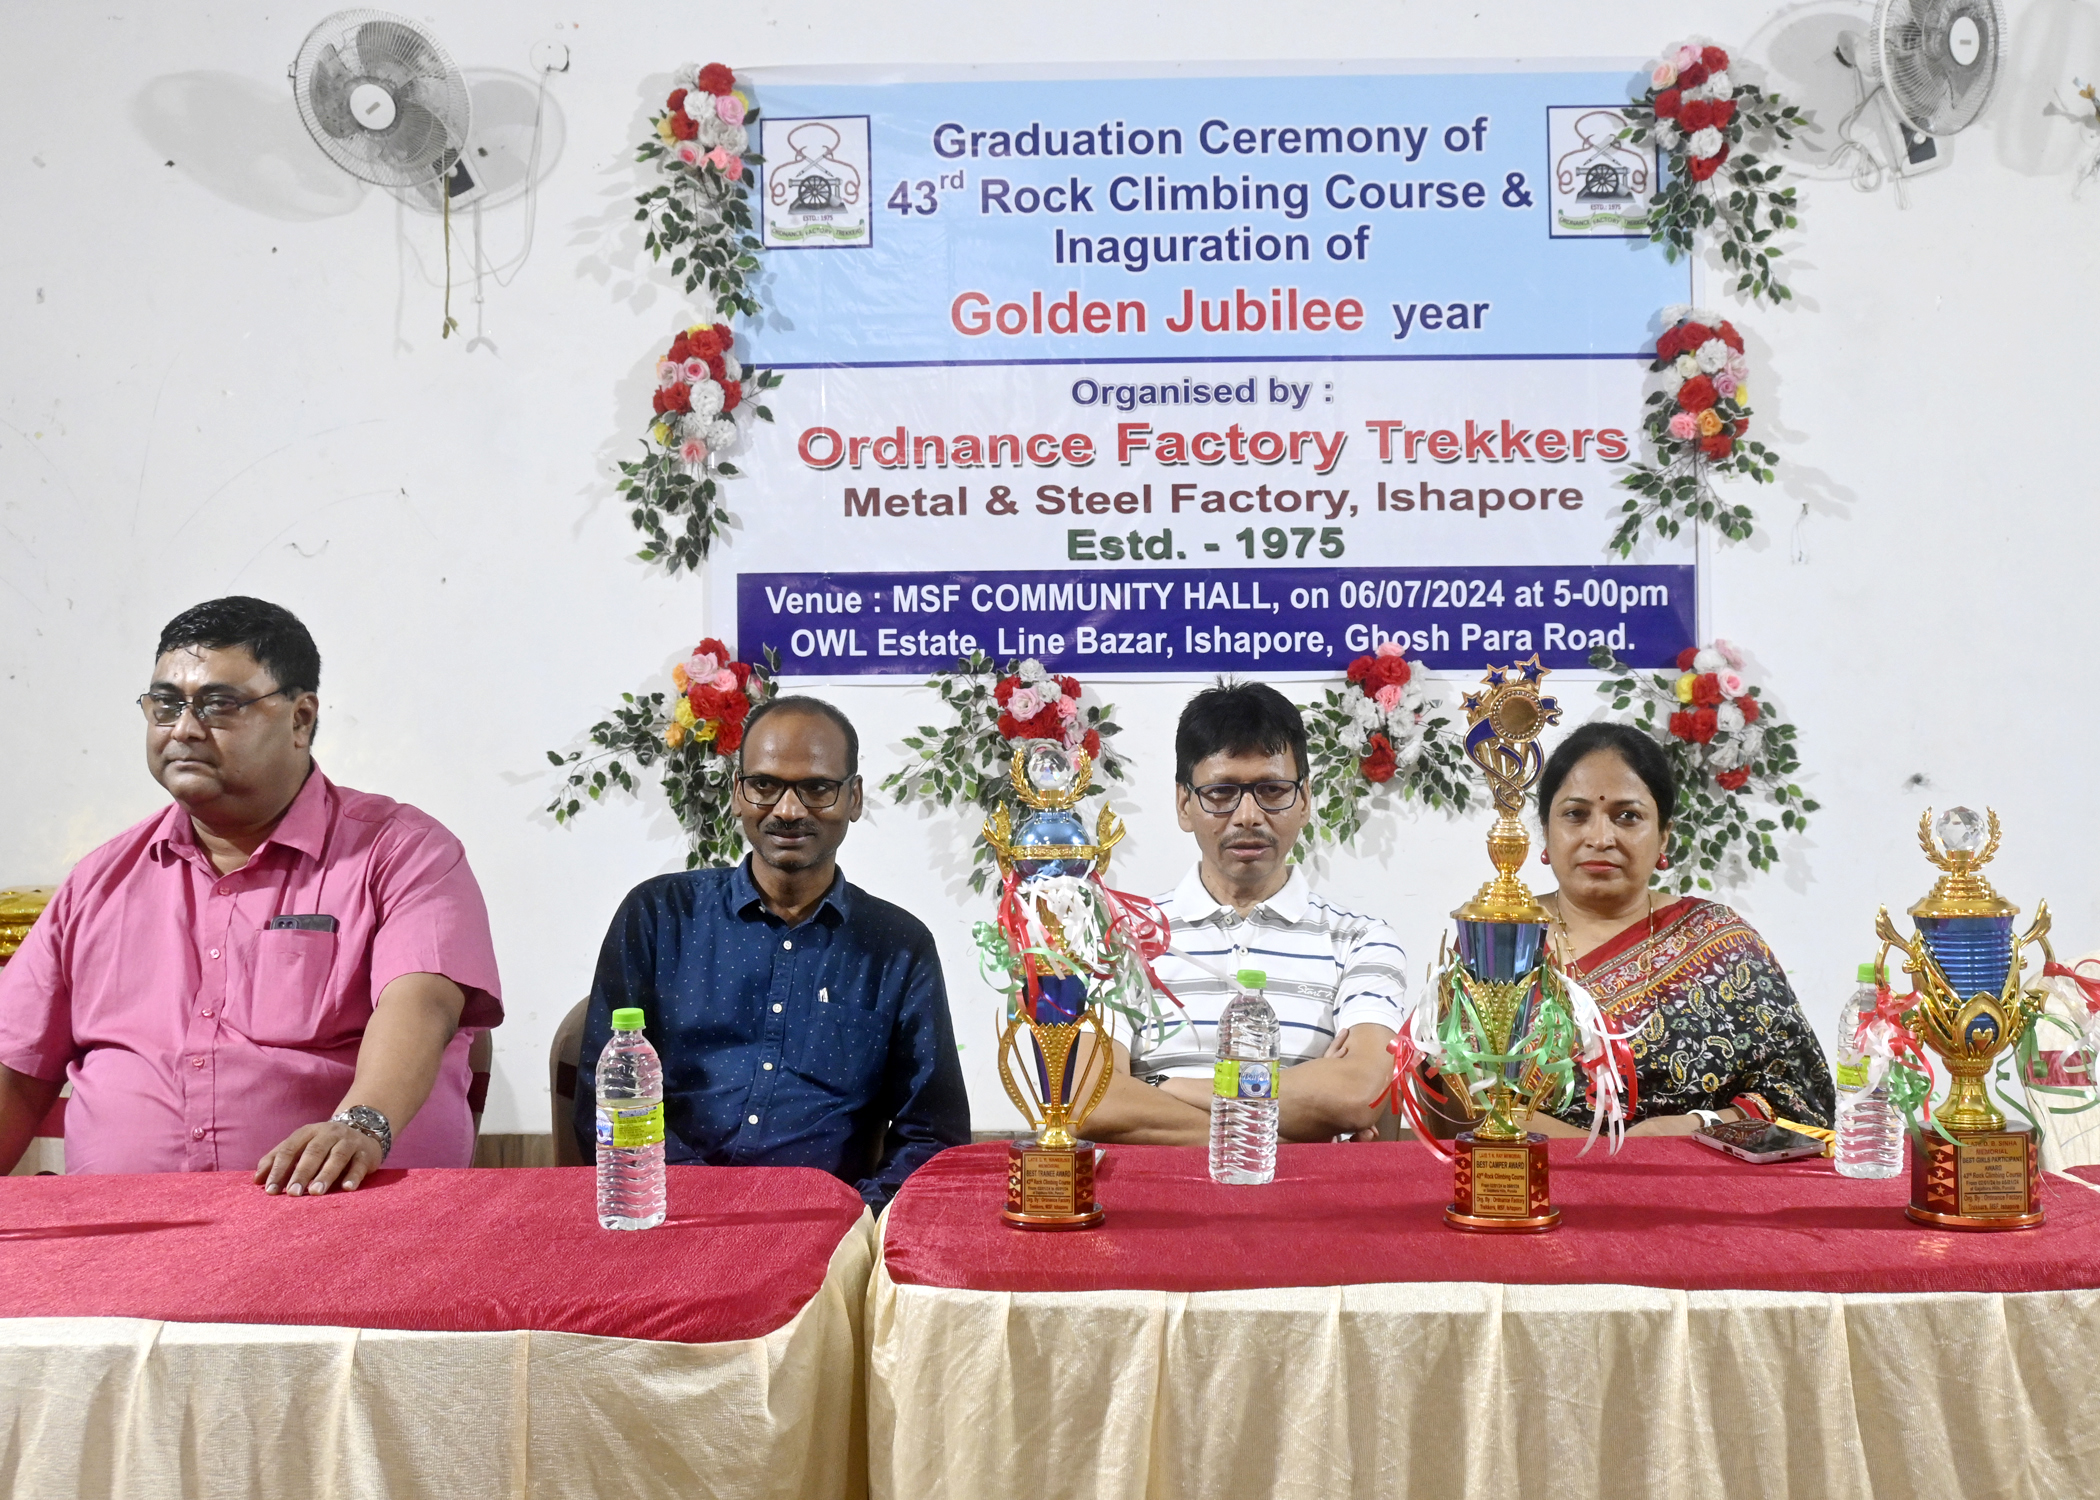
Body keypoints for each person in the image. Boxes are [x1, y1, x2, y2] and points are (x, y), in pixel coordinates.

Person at [0, 597, 502, 1192]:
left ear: (300, 719)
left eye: (219, 704)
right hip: (127, 1231)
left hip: (344, 1213)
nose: (184, 729)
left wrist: (359, 1125)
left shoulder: (401, 853)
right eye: (166, 704)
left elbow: (423, 1006)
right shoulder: (99, 881)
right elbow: (16, 1074)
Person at [575, 694, 969, 1209]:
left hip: (827, 1228)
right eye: (764, 785)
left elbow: (933, 1134)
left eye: (817, 788)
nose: (788, 810)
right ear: (737, 793)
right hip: (671, 1216)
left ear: (853, 798)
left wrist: (859, 1219)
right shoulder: (659, 916)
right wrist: (700, 1201)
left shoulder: (897, 946)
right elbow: (608, 1097)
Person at [1082, 682, 1402, 1146]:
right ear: (1184, 804)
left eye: (1272, 790)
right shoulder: (1121, 934)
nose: (1248, 815)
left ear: (1305, 800)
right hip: (1156, 1191)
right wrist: (1285, 1129)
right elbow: (1092, 1101)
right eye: (1221, 792)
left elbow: (1356, 1093)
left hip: (1305, 1194)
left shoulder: (1360, 940)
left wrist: (1165, 1085)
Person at [1523, 721, 1834, 1135]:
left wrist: (1695, 1127)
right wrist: (1596, 1156)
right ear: (1546, 831)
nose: (1600, 837)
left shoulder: (1722, 943)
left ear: (1664, 836)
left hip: (1694, 1170)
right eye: (1576, 814)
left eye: (1628, 816)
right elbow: (1463, 1095)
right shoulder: (1501, 936)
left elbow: (1800, 1100)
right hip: (1528, 1171)